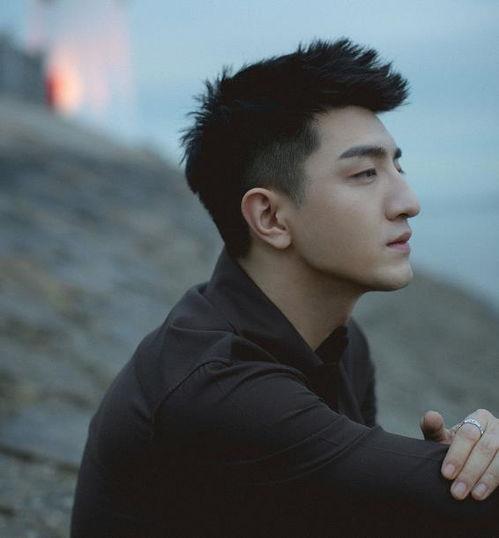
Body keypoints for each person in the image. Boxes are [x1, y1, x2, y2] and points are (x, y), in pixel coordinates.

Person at [71, 38, 499, 537]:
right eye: (365, 173)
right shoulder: (220, 388)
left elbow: (356, 506)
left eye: (396, 167)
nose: (409, 201)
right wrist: (457, 476)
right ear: (270, 217)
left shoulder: (338, 342)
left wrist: (467, 460)